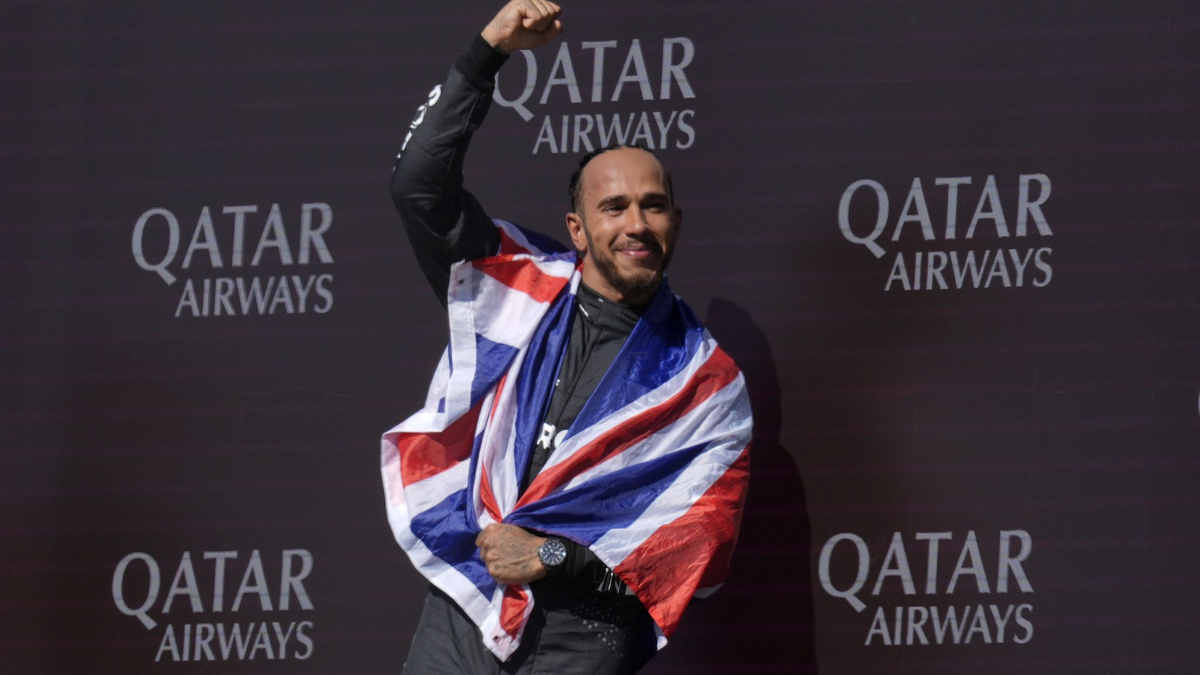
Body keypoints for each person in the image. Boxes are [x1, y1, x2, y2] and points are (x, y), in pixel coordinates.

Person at [380, 2, 752, 673]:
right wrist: (486, 54)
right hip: (467, 610)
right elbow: (418, 188)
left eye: (653, 205)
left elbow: (694, 556)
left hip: (583, 637)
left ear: (675, 222)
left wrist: (549, 556)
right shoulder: (516, 286)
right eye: (613, 207)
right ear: (577, 229)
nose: (636, 224)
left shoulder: (706, 383)